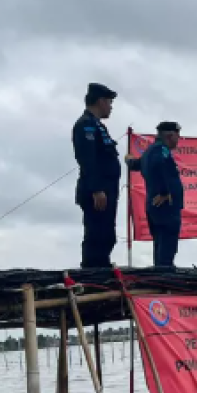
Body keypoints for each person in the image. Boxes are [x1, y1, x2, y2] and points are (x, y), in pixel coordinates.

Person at [73, 83, 121, 268]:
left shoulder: (98, 125)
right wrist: (97, 189)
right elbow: (88, 160)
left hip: (107, 190)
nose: (111, 107)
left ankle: (102, 269)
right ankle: (92, 273)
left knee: (107, 235)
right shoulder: (86, 125)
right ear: (100, 101)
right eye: (109, 102)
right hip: (97, 191)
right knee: (96, 235)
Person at [135, 121, 184, 267]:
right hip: (165, 206)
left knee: (161, 244)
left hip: (157, 207)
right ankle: (165, 275)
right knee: (166, 247)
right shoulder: (161, 150)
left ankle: (161, 273)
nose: (178, 139)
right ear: (170, 135)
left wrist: (128, 159)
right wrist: (164, 191)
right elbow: (158, 165)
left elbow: (136, 165)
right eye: (178, 136)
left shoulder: (151, 151)